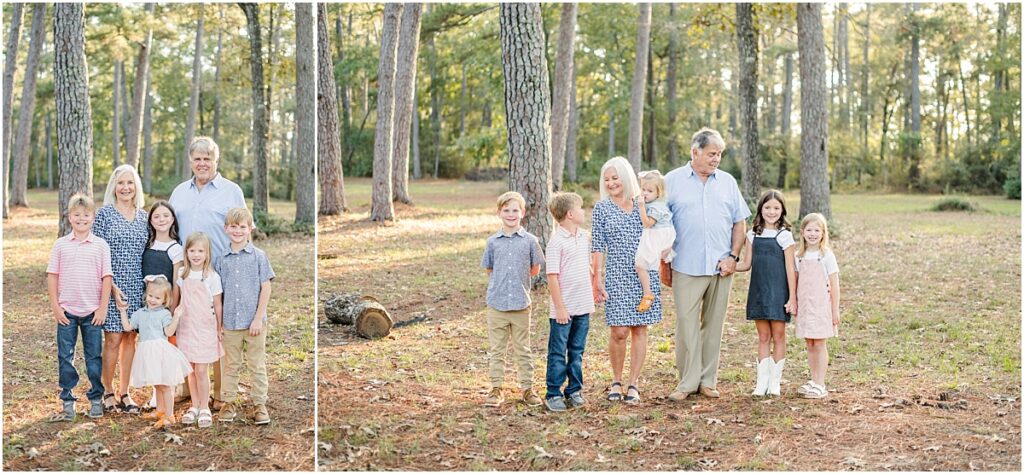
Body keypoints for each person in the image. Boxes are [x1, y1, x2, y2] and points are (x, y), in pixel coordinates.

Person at [666, 128, 750, 401]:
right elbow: (660, 225)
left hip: (721, 266)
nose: (716, 159)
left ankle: (707, 380)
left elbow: (740, 222)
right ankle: (687, 382)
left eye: (719, 154)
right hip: (686, 265)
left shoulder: (727, 182)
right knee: (686, 324)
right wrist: (663, 262)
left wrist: (733, 258)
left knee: (714, 325)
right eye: (712, 154)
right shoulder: (672, 181)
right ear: (695, 152)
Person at [169, 136, 245, 411]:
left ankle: (220, 392)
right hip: (188, 271)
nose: (202, 164)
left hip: (221, 269)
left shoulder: (231, 190)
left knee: (216, 327)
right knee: (188, 324)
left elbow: (243, 227)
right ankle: (188, 387)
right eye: (197, 159)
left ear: (216, 161)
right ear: (191, 161)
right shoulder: (179, 192)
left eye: (207, 159)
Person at [591, 157, 660, 405]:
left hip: (644, 275)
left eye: (615, 178)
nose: (610, 183)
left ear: (626, 176)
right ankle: (616, 380)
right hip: (617, 274)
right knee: (619, 331)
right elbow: (597, 245)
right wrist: (596, 277)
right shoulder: (602, 208)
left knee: (640, 328)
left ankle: (634, 383)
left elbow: (661, 228)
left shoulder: (644, 202)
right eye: (607, 179)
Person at [47, 194, 113, 421]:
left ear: (93, 218)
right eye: (77, 215)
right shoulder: (61, 245)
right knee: (66, 356)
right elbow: (52, 276)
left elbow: (107, 278)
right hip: (66, 312)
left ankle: (96, 399)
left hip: (92, 313)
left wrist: (102, 308)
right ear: (69, 217)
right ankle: (67, 400)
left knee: (94, 356)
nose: (81, 219)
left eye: (86, 215)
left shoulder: (101, 246)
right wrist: (55, 307)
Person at [480, 191, 545, 408]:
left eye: (515, 210)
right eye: (506, 210)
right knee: (497, 349)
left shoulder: (530, 241)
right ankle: (496, 388)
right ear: (499, 213)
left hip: (520, 304)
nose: (511, 214)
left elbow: (535, 269)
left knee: (523, 349)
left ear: (523, 213)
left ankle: (527, 388)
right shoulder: (492, 242)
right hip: (496, 305)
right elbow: (490, 268)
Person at [93, 164, 148, 415]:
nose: (126, 187)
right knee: (113, 338)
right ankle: (108, 390)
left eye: (130, 183)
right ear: (113, 187)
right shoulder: (104, 215)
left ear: (136, 186)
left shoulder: (144, 217)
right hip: (111, 284)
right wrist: (112, 288)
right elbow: (97, 254)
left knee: (130, 338)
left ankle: (125, 392)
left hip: (137, 285)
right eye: (121, 183)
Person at [214, 208, 275, 425]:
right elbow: (218, 295)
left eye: (242, 227)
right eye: (233, 226)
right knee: (231, 365)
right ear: (226, 229)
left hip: (254, 323)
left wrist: (258, 318)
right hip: (230, 323)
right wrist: (218, 324)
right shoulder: (221, 259)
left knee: (256, 364)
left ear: (250, 229)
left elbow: (265, 288)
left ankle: (260, 404)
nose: (238, 231)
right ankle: (229, 402)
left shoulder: (259, 257)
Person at [735, 190, 797, 397]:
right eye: (768, 207)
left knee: (778, 336)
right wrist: (728, 266)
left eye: (776, 208)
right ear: (761, 209)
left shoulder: (784, 236)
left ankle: (775, 382)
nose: (772, 212)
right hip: (759, 291)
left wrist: (792, 297)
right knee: (763, 336)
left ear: (782, 211)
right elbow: (746, 264)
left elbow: (790, 269)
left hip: (779, 293)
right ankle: (762, 382)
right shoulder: (752, 235)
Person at [543, 192, 596, 412]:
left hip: (583, 305)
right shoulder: (556, 242)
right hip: (563, 310)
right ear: (570, 214)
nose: (585, 211)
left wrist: (594, 287)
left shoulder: (583, 236)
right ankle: (553, 392)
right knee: (558, 351)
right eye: (581, 208)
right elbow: (552, 276)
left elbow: (585, 265)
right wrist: (561, 307)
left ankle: (574, 390)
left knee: (577, 350)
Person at [117, 275, 192, 429]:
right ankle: (160, 411)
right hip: (146, 352)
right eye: (150, 296)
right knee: (157, 384)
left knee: (165, 385)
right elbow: (128, 327)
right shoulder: (140, 313)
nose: (152, 300)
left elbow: (170, 332)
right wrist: (123, 311)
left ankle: (169, 415)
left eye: (157, 298)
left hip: (160, 352)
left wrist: (176, 316)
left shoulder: (164, 314)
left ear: (164, 300)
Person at [173, 232, 224, 427]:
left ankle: (204, 407)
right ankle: (194, 405)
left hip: (205, 328)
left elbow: (218, 304)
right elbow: (179, 299)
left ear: (207, 253)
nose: (196, 254)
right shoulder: (182, 274)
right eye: (192, 250)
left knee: (202, 369)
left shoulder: (211, 277)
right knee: (191, 370)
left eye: (200, 251)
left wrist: (219, 327)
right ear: (186, 252)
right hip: (186, 327)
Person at [142, 200, 185, 410]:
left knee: (165, 352)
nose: (161, 220)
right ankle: (155, 392)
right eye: (157, 216)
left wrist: (171, 308)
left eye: (166, 216)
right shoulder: (147, 245)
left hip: (165, 309)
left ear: (173, 219)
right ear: (150, 220)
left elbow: (177, 282)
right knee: (150, 350)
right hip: (149, 308)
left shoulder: (175, 248)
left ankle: (169, 390)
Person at [793, 213, 841, 399]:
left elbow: (834, 284)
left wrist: (834, 309)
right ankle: (813, 380)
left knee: (820, 343)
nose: (812, 234)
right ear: (802, 232)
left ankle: (821, 383)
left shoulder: (826, 256)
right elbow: (796, 281)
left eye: (816, 230)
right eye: (809, 230)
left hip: (822, 306)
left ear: (823, 233)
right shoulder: (799, 255)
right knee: (810, 342)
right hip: (806, 305)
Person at [634, 170, 676, 313]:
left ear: (659, 193)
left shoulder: (657, 207)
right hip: (657, 234)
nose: (645, 193)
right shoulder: (655, 202)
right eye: (643, 189)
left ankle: (648, 294)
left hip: (657, 235)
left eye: (649, 191)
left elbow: (647, 223)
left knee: (640, 265)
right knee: (646, 265)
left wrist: (640, 206)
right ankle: (649, 292)